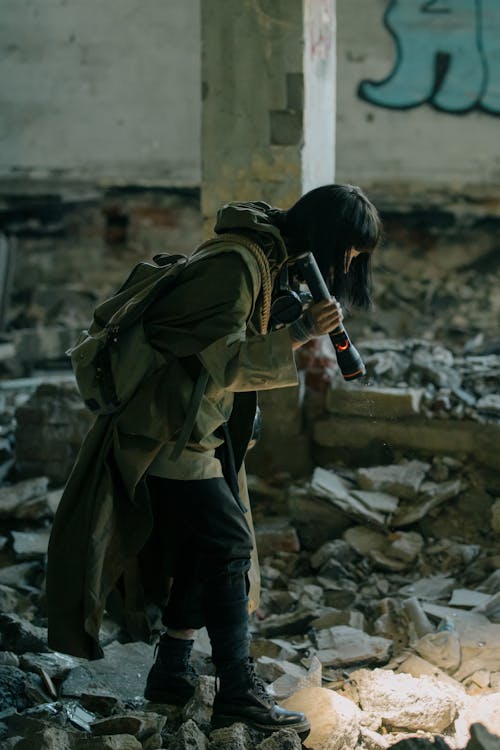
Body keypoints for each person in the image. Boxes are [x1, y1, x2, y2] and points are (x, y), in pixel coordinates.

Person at [46, 183, 381, 738]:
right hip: (166, 431)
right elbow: (224, 362)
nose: (349, 264)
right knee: (227, 545)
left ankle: (172, 673)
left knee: (206, 550)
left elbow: (220, 343)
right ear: (327, 236)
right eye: (349, 250)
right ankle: (237, 691)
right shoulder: (236, 265)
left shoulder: (269, 260)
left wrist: (283, 319)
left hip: (199, 428)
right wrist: (299, 332)